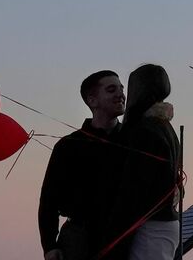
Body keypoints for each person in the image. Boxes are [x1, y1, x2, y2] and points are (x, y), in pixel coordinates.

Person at [38, 70, 128, 260]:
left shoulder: (135, 141)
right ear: (92, 100)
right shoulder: (68, 145)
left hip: (124, 237)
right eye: (111, 90)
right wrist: (49, 246)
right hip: (79, 240)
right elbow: (48, 200)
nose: (120, 94)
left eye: (121, 88)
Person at [103, 64, 182, 260]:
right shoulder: (165, 127)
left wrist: (113, 238)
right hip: (166, 223)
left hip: (150, 227)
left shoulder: (144, 131)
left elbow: (133, 190)